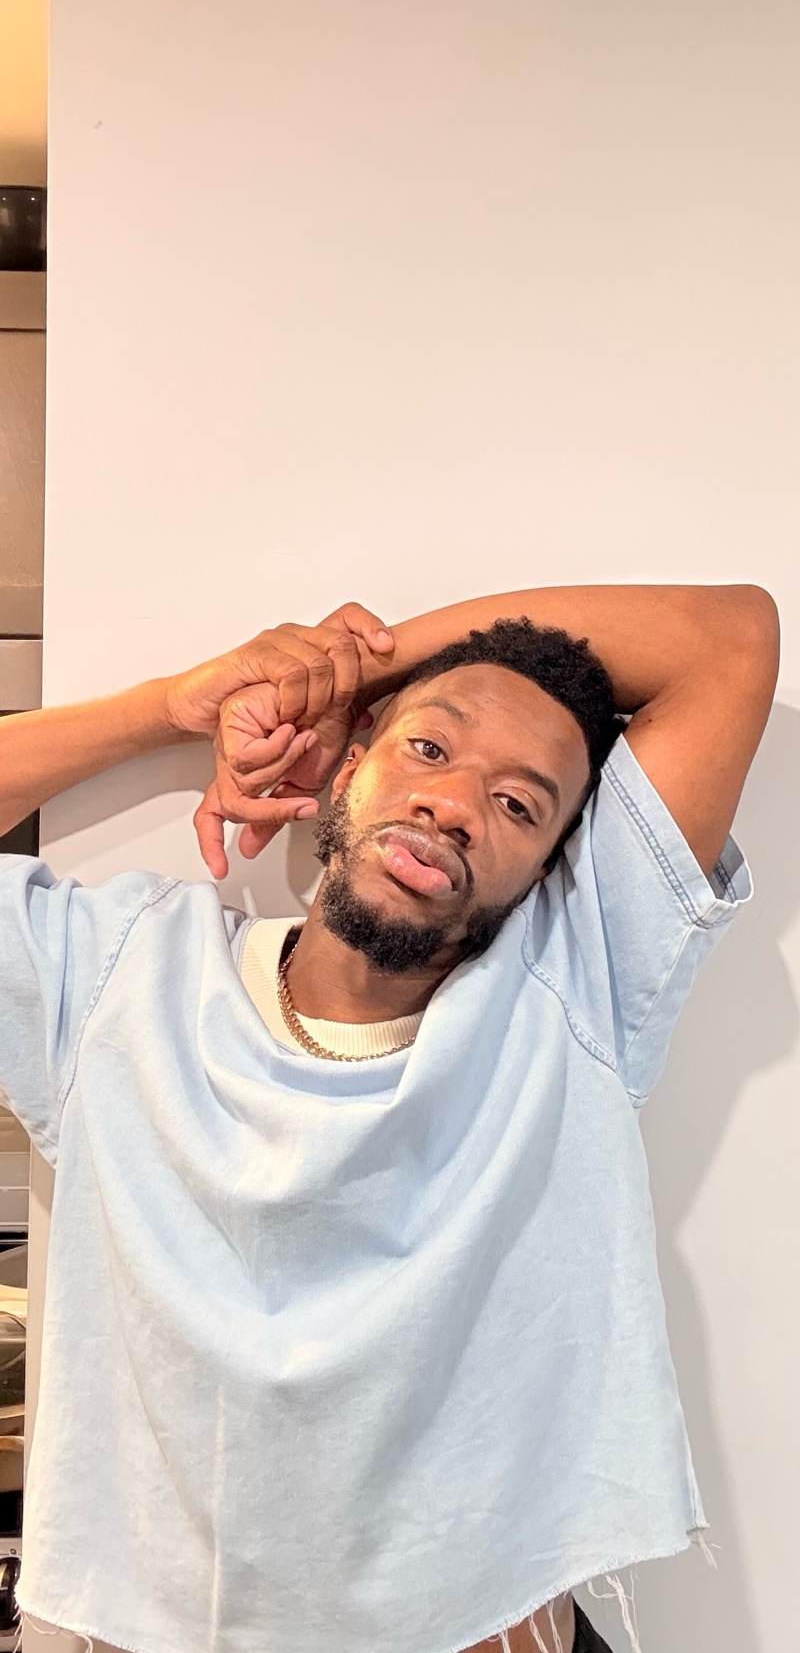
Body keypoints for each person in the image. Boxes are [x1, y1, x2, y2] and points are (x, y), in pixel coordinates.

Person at [0, 584, 779, 1653]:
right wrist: (175, 705)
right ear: (349, 762)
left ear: (550, 867)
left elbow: (729, 639)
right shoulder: (120, 977)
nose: (454, 804)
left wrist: (351, 667)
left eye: (518, 805)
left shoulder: (569, 984)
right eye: (426, 749)